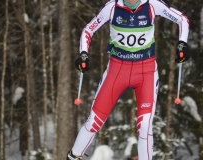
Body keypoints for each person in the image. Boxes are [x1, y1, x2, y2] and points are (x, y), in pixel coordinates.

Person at [66, 0, 190, 159]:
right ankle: (73, 156)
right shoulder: (112, 7)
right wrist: (83, 53)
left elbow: (182, 19)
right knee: (94, 121)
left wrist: (182, 44)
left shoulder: (152, 5)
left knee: (145, 127)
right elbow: (88, 30)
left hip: (146, 71)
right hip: (117, 70)